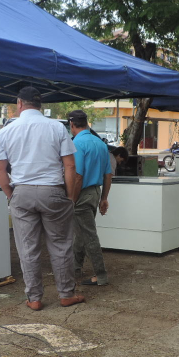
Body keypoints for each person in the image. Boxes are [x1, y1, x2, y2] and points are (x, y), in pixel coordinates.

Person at [0, 86, 85, 310]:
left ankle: (34, 298)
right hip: (53, 191)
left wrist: (11, 195)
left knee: (27, 248)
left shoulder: (7, 131)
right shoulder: (56, 127)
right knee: (61, 245)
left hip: (21, 192)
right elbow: (70, 165)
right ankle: (66, 294)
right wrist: (71, 196)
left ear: (19, 104)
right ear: (40, 105)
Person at [68, 110, 113, 287]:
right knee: (81, 232)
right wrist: (104, 198)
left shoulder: (77, 143)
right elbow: (108, 174)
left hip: (81, 193)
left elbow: (78, 176)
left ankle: (101, 275)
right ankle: (75, 268)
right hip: (95, 193)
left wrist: (72, 198)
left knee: (88, 235)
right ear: (86, 123)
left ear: (72, 125)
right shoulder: (100, 143)